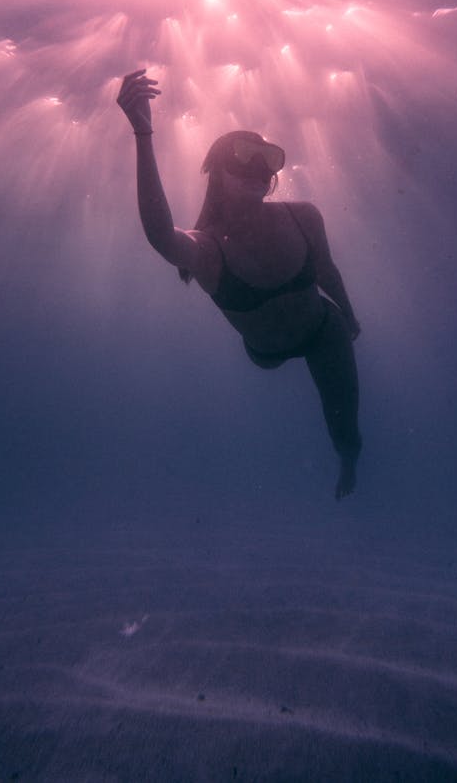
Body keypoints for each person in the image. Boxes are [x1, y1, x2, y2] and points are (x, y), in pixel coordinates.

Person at [116, 68, 362, 500]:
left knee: (344, 424)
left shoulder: (304, 216)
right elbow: (160, 236)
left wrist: (351, 316)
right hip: (264, 352)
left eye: (267, 160)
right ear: (218, 171)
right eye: (243, 156)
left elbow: (326, 270)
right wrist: (143, 133)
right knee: (283, 370)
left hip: (324, 331)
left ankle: (348, 465)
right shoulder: (208, 250)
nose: (256, 169)